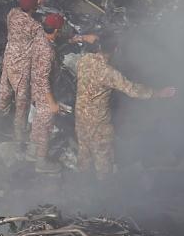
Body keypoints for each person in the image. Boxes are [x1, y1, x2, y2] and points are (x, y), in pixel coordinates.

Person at [75, 34, 177, 178]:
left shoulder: (84, 60)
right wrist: (159, 93)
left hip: (80, 115)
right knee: (103, 155)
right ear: (116, 49)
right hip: (98, 121)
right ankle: (103, 187)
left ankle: (81, 180)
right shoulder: (109, 72)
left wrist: (84, 38)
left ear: (98, 46)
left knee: (84, 149)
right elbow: (132, 90)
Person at [0, 0, 45, 144]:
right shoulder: (35, 26)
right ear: (34, 7)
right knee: (21, 104)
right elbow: (44, 41)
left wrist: (35, 5)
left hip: (8, 61)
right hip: (22, 68)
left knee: (3, 95)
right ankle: (19, 136)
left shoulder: (12, 13)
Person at [28, 13, 64, 170]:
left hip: (34, 88)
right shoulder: (48, 51)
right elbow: (44, 80)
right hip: (44, 94)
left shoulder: (39, 38)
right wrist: (52, 103)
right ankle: (41, 163)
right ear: (56, 30)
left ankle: (31, 153)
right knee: (45, 127)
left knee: (37, 122)